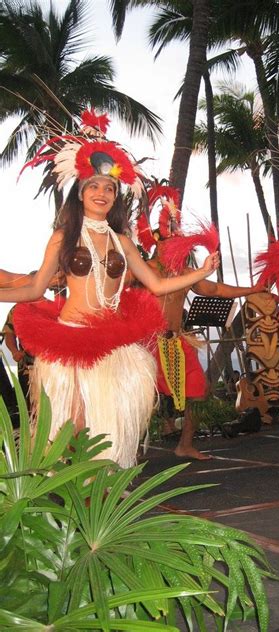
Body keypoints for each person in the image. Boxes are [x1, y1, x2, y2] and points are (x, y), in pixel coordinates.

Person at [0, 110, 219, 468]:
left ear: (116, 197)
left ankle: (101, 491)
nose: (102, 193)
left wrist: (200, 273)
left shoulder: (122, 242)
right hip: (72, 340)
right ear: (81, 193)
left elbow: (158, 284)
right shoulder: (63, 237)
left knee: (109, 430)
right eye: (95, 187)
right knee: (73, 429)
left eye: (110, 189)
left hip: (112, 345)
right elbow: (34, 289)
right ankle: (75, 494)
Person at [136, 183, 265, 459]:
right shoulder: (144, 270)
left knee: (200, 391)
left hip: (177, 342)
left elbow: (216, 290)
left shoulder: (186, 272)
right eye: (169, 241)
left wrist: (253, 289)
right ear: (157, 242)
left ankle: (185, 444)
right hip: (146, 343)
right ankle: (124, 451)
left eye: (177, 243)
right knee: (139, 400)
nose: (173, 247)